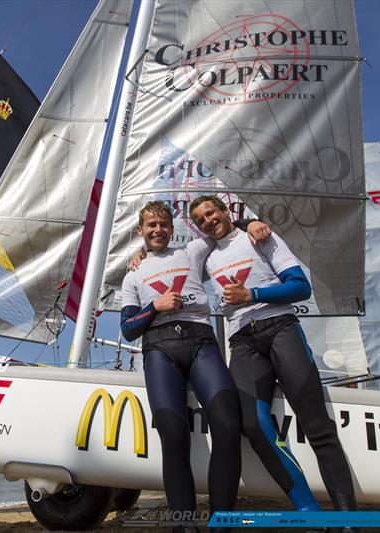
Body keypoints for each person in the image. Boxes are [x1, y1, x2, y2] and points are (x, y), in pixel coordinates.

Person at [188, 195, 357, 516]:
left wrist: (252, 294)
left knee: (317, 425)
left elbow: (300, 287)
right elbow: (172, 262)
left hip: (280, 329)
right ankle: (308, 511)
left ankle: (348, 518)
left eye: (211, 213)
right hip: (243, 342)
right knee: (253, 425)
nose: (208, 220)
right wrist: (141, 256)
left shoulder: (260, 236)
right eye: (200, 220)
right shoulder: (207, 254)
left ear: (225, 211)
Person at [120, 201, 269, 532]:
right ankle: (183, 526)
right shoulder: (132, 274)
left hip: (201, 343)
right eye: (150, 225)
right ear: (140, 231)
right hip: (160, 351)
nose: (157, 230)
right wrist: (155, 307)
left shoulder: (191, 252)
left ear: (172, 229)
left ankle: (222, 523)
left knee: (228, 427)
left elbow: (223, 226)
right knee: (173, 436)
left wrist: (253, 223)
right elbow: (129, 328)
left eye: (163, 224)